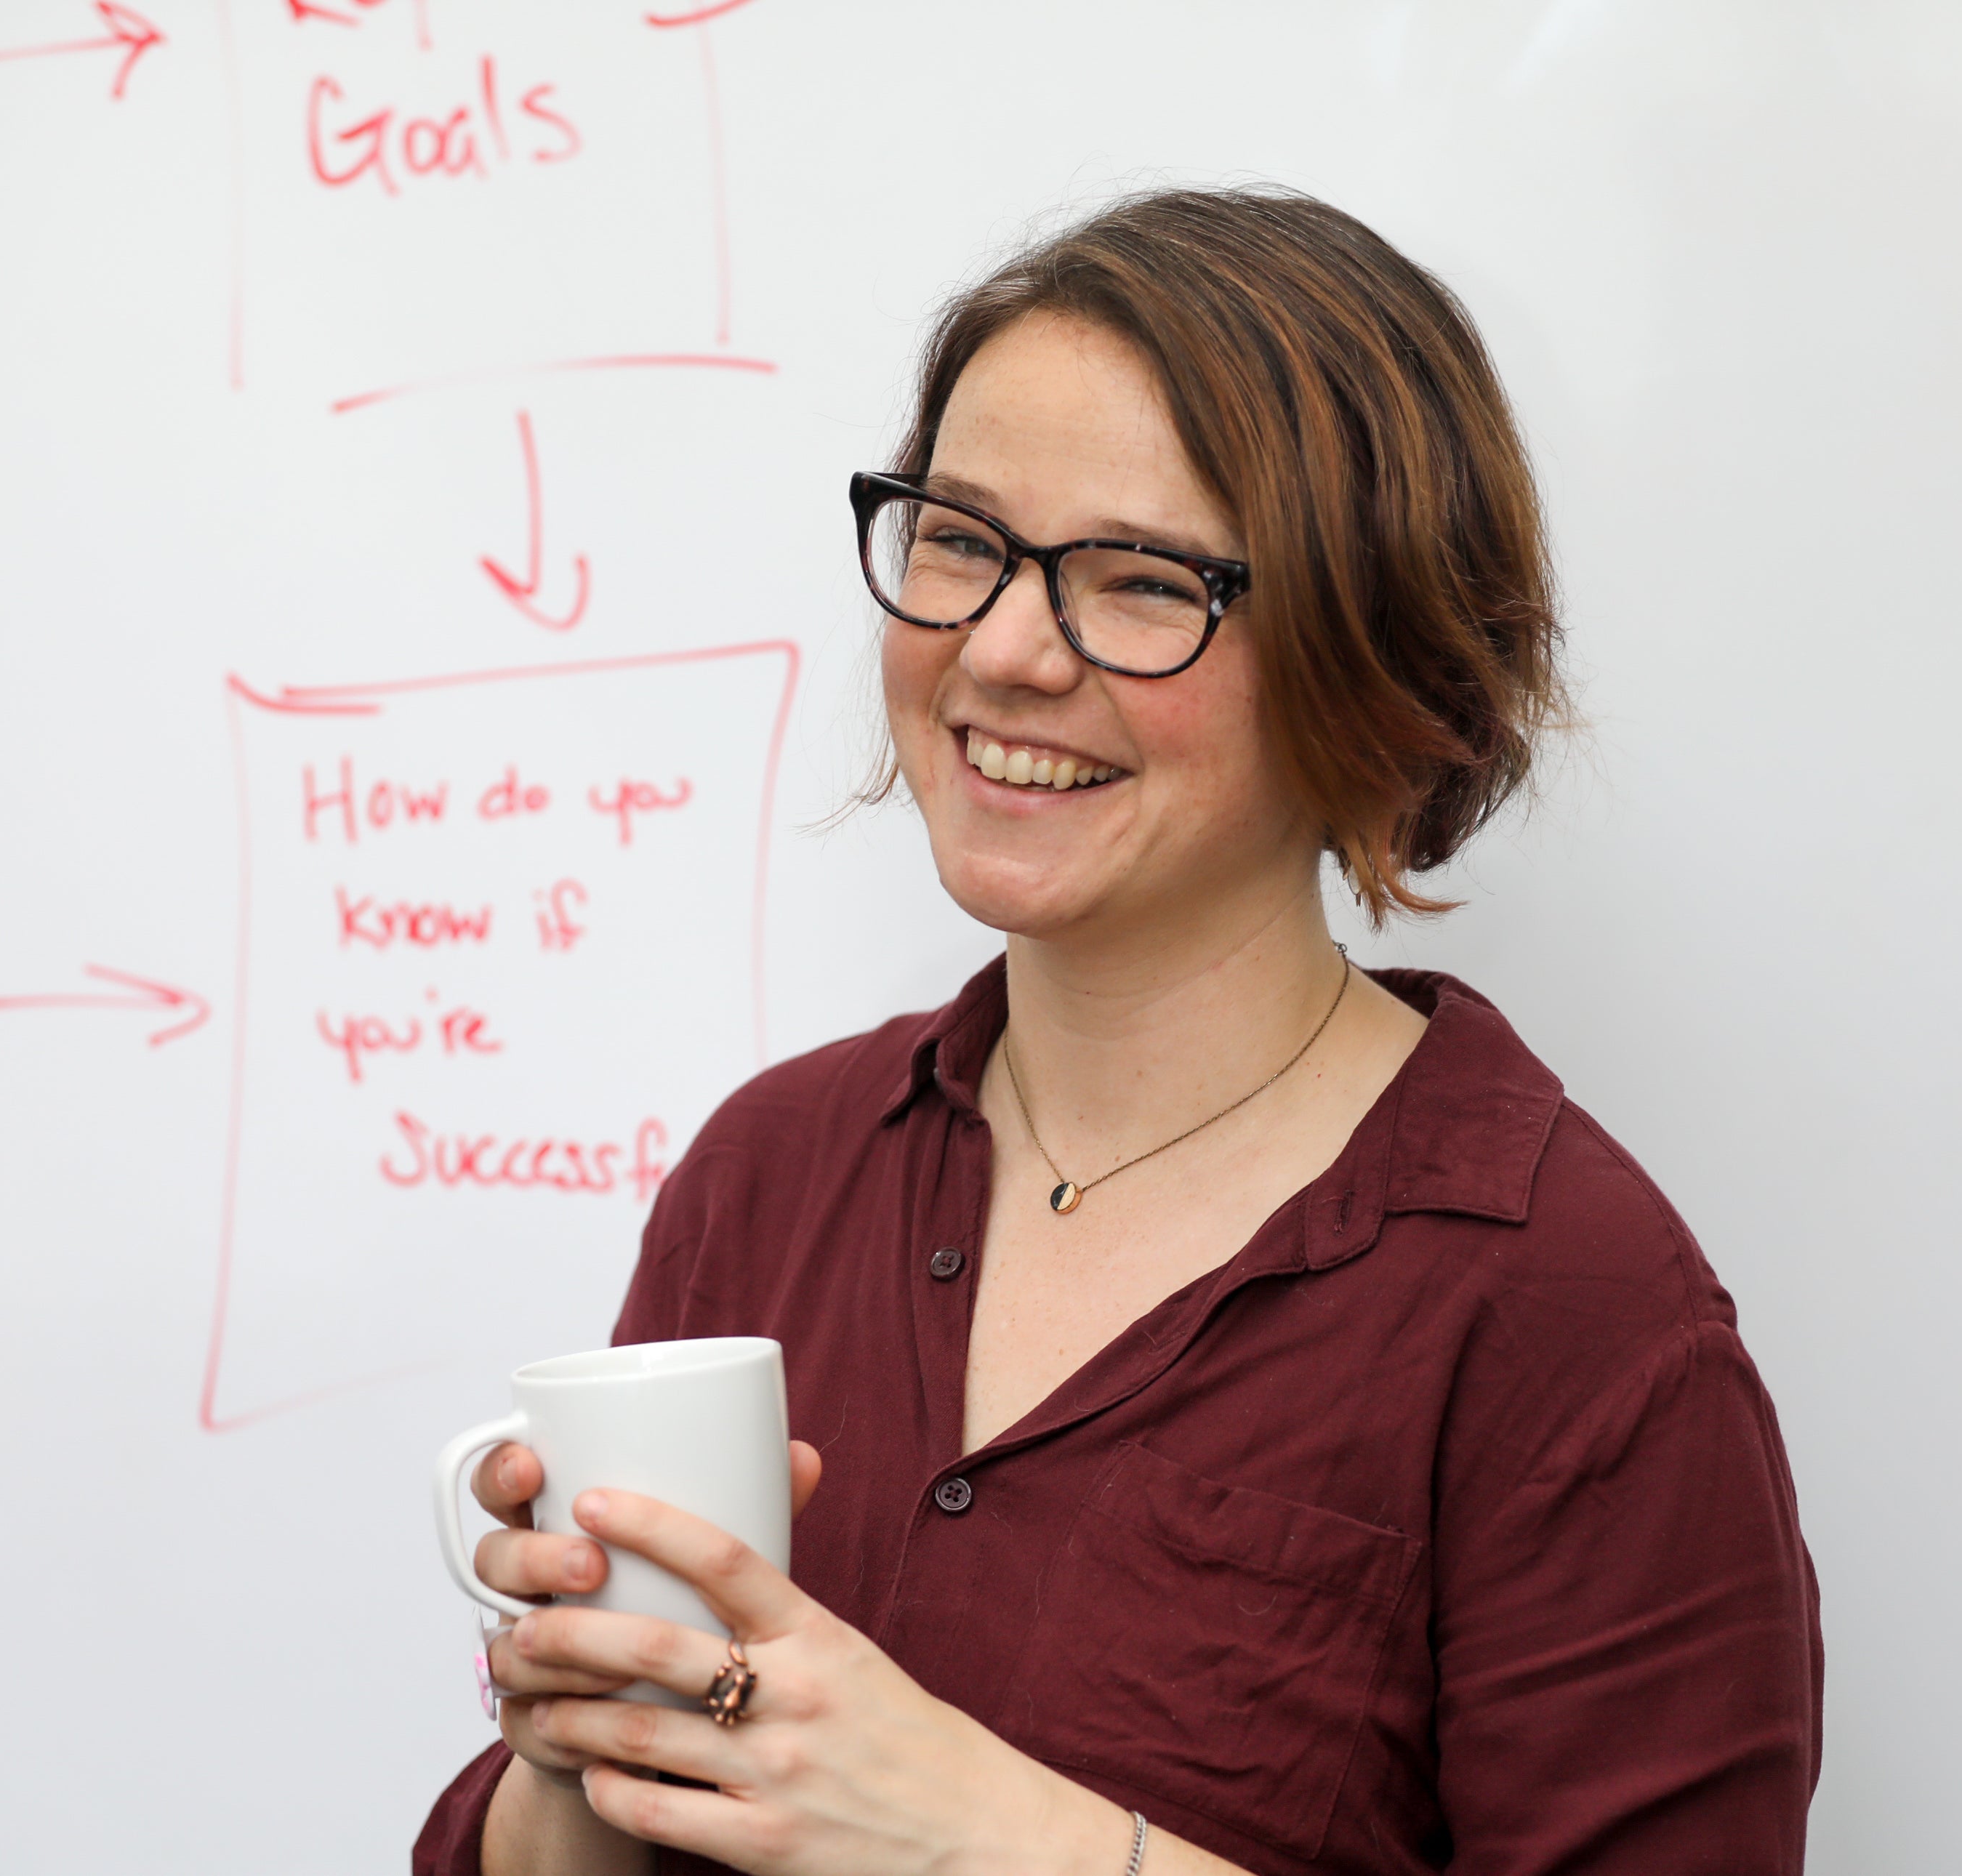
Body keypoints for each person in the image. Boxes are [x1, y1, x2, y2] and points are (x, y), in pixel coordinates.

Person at [415, 188, 1822, 1876]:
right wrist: (590, 1731)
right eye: (958, 539)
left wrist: (978, 1833)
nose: (1001, 648)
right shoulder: (772, 1171)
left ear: (1377, 660)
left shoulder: (1579, 1313)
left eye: (1140, 580)